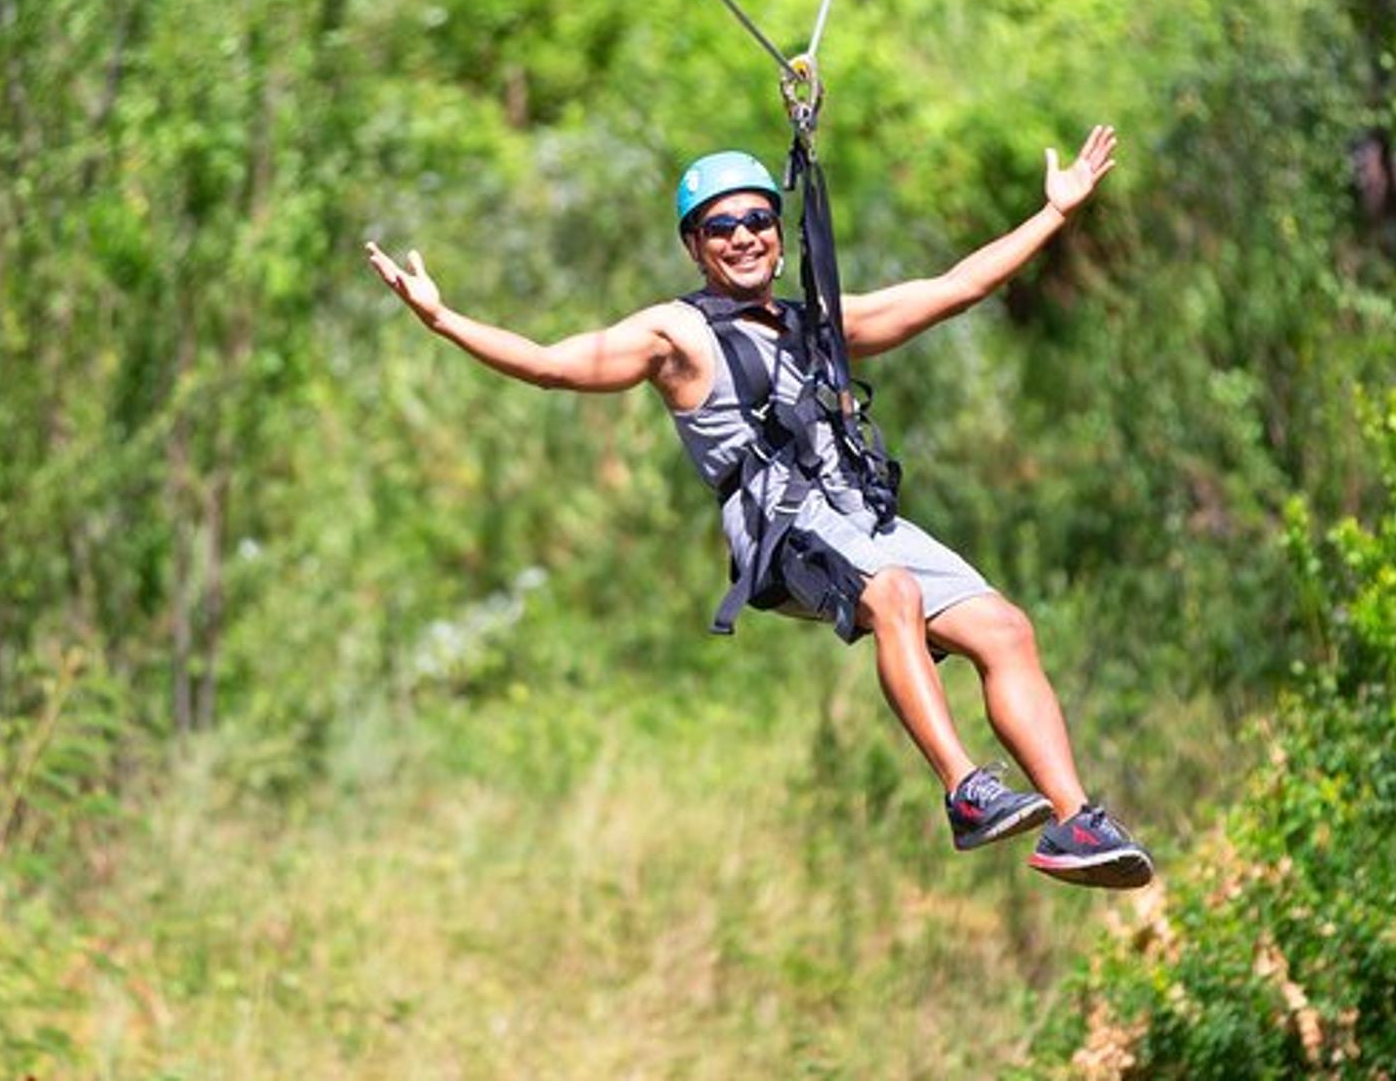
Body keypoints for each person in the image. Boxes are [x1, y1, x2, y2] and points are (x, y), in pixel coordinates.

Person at [364, 124, 1150, 888]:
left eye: (756, 220)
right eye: (720, 227)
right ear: (694, 246)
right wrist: (443, 320)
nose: (742, 237)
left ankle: (1074, 823)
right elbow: (551, 365)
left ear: (778, 233)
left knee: (1005, 627)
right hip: (782, 525)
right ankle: (964, 789)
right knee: (893, 594)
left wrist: (1054, 213)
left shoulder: (817, 323)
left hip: (860, 514)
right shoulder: (677, 334)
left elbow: (952, 291)